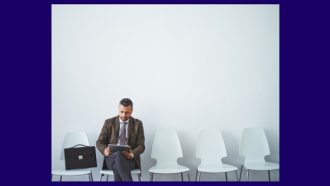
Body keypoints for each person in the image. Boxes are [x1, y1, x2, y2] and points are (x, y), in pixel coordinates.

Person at [96, 98, 145, 181]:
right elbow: (99, 142)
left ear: (132, 111)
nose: (123, 115)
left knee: (117, 166)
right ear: (118, 109)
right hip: (111, 158)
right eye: (121, 112)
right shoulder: (109, 122)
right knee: (118, 155)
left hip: (129, 160)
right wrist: (105, 150)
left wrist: (132, 154)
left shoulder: (137, 124)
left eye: (127, 112)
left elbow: (141, 146)